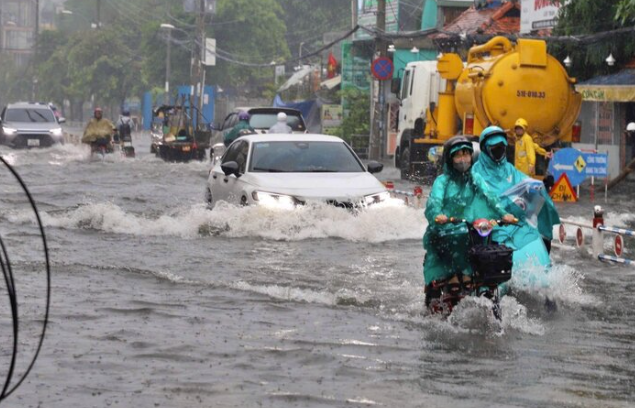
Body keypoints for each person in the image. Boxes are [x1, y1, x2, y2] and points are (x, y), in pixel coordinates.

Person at [422, 136, 515, 306]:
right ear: (450, 159)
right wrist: (438, 215)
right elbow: (434, 202)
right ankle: (451, 280)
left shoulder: (475, 178)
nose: (463, 159)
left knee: (489, 242)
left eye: (466, 154)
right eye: (458, 155)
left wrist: (503, 214)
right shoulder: (442, 181)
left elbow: (490, 198)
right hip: (445, 229)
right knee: (456, 238)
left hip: (471, 227)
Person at [472, 126, 559, 256]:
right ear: (485, 149)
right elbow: (482, 196)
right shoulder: (476, 171)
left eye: (502, 147)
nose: (499, 151)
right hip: (491, 225)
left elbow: (524, 182)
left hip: (516, 222)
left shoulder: (509, 168)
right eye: (494, 148)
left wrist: (539, 187)